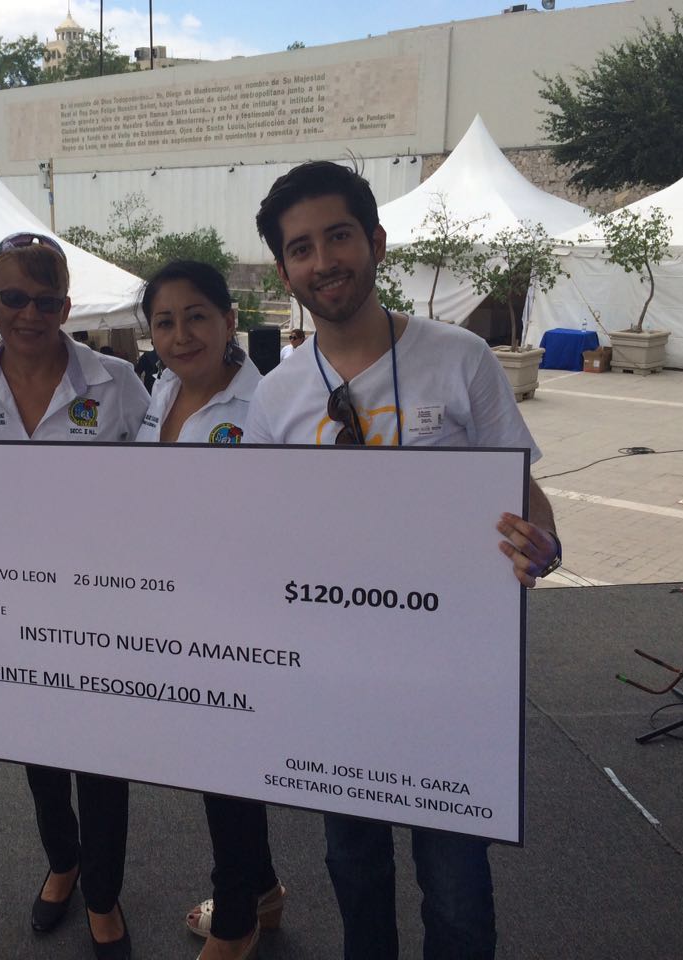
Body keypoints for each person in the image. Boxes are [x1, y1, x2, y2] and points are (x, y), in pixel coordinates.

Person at [247, 161, 562, 960]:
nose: (325, 261)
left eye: (339, 236)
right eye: (301, 248)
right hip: (335, 672)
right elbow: (260, 534)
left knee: (456, 890)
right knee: (353, 865)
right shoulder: (275, 397)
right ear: (284, 271)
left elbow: (526, 498)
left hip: (451, 673)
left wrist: (542, 545)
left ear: (377, 242)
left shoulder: (460, 358)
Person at [0, 232, 149, 960]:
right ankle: (62, 861)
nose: (29, 314)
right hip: (11, 605)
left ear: (67, 307)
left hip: (101, 603)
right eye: (14, 298)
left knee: (101, 755)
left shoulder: (117, 382)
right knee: (38, 749)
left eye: (46, 301)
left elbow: (159, 486)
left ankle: (102, 892)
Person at [135, 260, 285, 960]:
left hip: (239, 612)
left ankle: (235, 923)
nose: (180, 335)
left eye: (196, 316)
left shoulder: (266, 403)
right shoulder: (161, 389)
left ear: (230, 320)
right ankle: (263, 892)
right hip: (176, 605)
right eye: (164, 322)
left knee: (227, 764)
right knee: (211, 760)